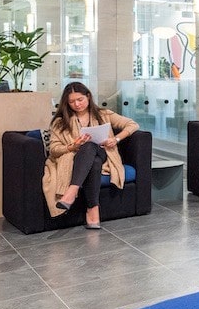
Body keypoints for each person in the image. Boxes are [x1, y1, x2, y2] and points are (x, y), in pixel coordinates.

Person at [43, 81, 139, 229]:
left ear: (88, 96)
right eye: (72, 102)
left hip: (103, 153)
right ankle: (93, 210)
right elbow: (54, 150)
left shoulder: (103, 114)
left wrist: (116, 139)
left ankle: (72, 191)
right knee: (93, 161)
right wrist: (73, 146)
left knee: (90, 146)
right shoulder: (60, 122)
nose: (77, 104)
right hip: (76, 158)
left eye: (80, 99)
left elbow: (133, 124)